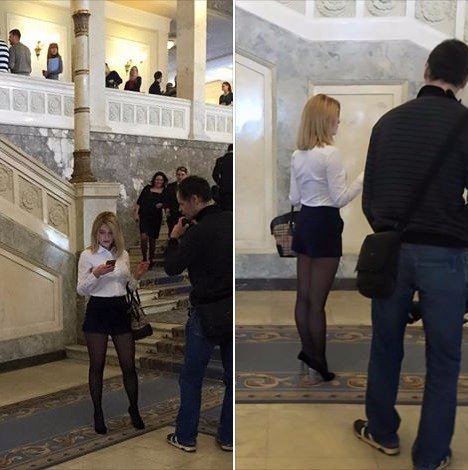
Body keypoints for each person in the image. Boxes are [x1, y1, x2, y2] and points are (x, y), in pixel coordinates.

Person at [353, 39, 468, 470]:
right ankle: (431, 455)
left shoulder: (388, 122)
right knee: (444, 357)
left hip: (392, 251)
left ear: (426, 70)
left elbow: (370, 197)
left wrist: (387, 230)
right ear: (463, 80)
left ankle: (383, 432)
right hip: (446, 256)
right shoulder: (464, 123)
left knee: (385, 345)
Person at [289, 94, 363, 381]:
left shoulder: (298, 155)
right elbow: (339, 198)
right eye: (335, 117)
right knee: (317, 301)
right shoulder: (330, 154)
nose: (339, 122)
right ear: (324, 120)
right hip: (324, 224)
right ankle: (318, 360)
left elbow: (294, 198)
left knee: (304, 296)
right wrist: (362, 178)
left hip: (305, 221)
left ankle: (308, 351)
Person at [164, 176, 232, 453]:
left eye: (182, 204)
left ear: (194, 200)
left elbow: (172, 267)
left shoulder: (197, 232)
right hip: (232, 307)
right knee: (232, 377)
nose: (180, 209)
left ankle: (186, 437)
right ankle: (227, 437)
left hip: (205, 312)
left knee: (192, 377)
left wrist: (173, 239)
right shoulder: (230, 220)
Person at [77, 211, 149, 434]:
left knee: (128, 365)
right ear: (96, 233)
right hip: (97, 310)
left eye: (110, 233)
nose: (106, 237)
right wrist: (96, 274)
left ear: (116, 233)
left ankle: (134, 408)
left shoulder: (123, 254)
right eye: (102, 233)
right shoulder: (88, 255)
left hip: (120, 309)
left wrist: (137, 276)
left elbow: (128, 287)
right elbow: (80, 289)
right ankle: (98, 413)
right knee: (96, 366)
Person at [133, 171, 168, 268]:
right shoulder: (147, 188)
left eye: (161, 180)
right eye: (157, 179)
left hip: (156, 217)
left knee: (152, 240)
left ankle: (151, 259)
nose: (159, 181)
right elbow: (139, 202)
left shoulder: (165, 191)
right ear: (154, 180)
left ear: (163, 181)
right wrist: (136, 214)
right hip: (144, 215)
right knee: (143, 237)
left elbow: (167, 202)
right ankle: (144, 258)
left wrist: (162, 204)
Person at [165, 166, 188, 234]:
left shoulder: (191, 186)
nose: (180, 177)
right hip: (173, 214)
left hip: (186, 213)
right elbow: (166, 198)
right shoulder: (170, 186)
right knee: (172, 232)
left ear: (186, 175)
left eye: (182, 175)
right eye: (178, 175)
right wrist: (166, 208)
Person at [212, 144, 233, 211]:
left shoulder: (220, 160)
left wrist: (221, 183)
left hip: (224, 191)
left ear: (228, 150)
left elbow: (214, 175)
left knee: (225, 210)